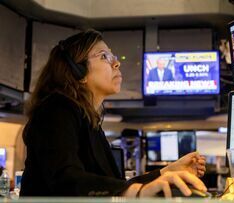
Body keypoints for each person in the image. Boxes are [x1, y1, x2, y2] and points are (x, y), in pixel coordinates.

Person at [20, 29, 206, 198]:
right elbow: (66, 179)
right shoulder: (55, 110)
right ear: (79, 72)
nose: (117, 63)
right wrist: (137, 192)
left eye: (113, 57)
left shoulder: (89, 121)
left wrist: (166, 172)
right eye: (104, 56)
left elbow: (117, 186)